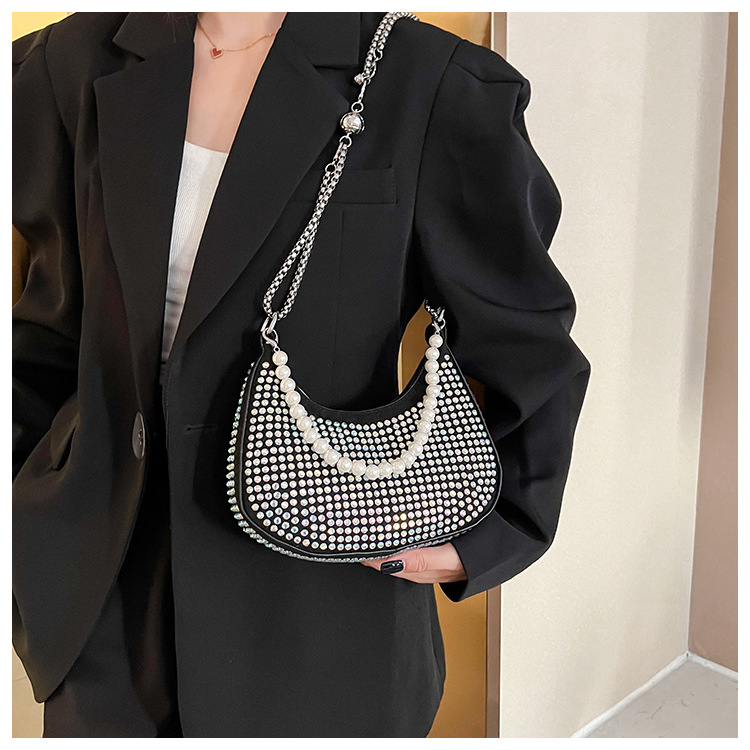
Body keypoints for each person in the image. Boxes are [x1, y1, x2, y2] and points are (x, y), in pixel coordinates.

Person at [12, 11, 591, 738]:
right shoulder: (66, 64)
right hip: (102, 596)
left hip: (322, 597)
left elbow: (527, 342)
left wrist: (492, 534)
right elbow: (48, 329)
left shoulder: (429, 81)